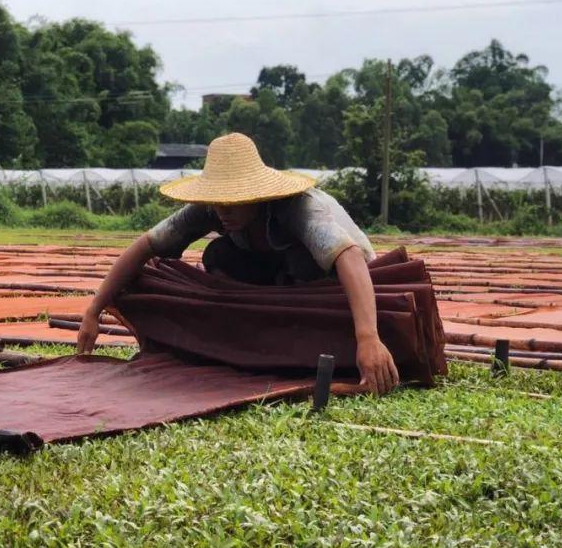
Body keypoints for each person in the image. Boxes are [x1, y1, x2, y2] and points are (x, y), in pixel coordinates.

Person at [76, 132, 401, 395]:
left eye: (232, 200)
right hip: (278, 288)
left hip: (337, 290)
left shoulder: (298, 208)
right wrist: (94, 311)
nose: (222, 210)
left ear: (255, 194)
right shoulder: (210, 209)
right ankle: (257, 338)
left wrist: (368, 338)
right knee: (218, 255)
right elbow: (146, 245)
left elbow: (350, 256)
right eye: (218, 199)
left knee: (300, 259)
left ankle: (298, 341)